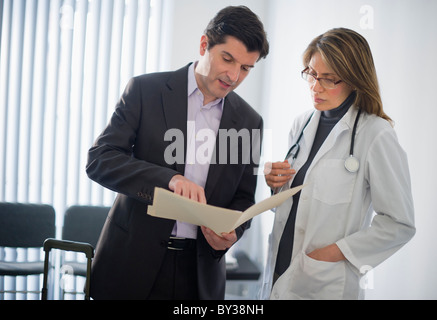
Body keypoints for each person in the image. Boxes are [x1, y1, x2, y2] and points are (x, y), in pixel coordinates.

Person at [86, 6, 269, 300]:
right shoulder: (145, 90)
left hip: (198, 276)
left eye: (246, 68)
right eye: (228, 59)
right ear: (203, 45)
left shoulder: (249, 121)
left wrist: (232, 233)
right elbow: (100, 159)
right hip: (131, 265)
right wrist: (168, 179)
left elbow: (244, 199)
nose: (234, 75)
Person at [260, 28, 415, 300]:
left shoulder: (375, 134)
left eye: (329, 79)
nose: (315, 87)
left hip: (323, 280)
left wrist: (334, 253)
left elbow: (399, 223)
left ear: (355, 79)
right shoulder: (302, 124)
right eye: (311, 73)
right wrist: (276, 185)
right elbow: (300, 202)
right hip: (278, 269)